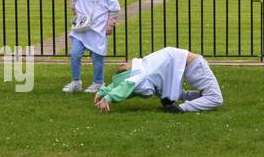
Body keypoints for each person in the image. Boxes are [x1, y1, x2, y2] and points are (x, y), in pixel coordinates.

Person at [93, 46, 224, 114]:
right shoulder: (142, 69)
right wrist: (108, 97)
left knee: (198, 95)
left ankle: (182, 104)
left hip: (190, 67)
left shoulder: (142, 67)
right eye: (124, 65)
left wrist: (103, 92)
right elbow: (127, 83)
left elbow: (121, 84)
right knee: (215, 98)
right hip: (195, 65)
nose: (125, 63)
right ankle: (181, 108)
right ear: (128, 69)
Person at [63, 0, 121, 94]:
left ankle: (98, 83)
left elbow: (114, 7)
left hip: (98, 27)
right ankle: (76, 81)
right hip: (81, 26)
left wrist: (110, 24)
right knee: (75, 53)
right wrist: (75, 9)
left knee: (97, 57)